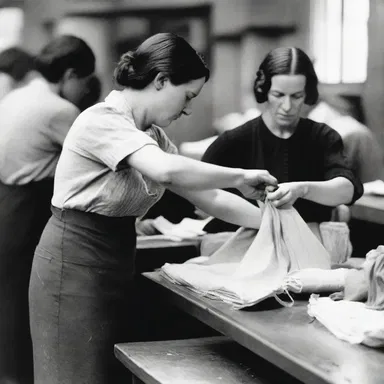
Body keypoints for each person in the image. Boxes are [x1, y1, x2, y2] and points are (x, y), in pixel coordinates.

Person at [28, 32, 277, 384]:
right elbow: (166, 170)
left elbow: (213, 199)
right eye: (187, 95)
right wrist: (240, 175)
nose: (188, 108)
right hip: (74, 265)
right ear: (160, 80)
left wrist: (274, 221)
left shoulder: (153, 137)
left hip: (113, 263)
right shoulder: (102, 119)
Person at [0, 35, 95, 384]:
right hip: (28, 208)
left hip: (6, 202)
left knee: (8, 300)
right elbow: (96, 160)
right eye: (84, 81)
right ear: (70, 74)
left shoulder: (17, 96)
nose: (85, 90)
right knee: (24, 303)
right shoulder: (59, 110)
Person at [202, 47, 363, 234]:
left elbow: (347, 189)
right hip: (246, 246)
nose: (287, 107)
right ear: (264, 90)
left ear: (307, 93)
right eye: (278, 95)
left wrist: (303, 189)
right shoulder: (234, 141)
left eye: (296, 96)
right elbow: (197, 188)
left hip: (309, 245)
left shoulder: (323, 138)